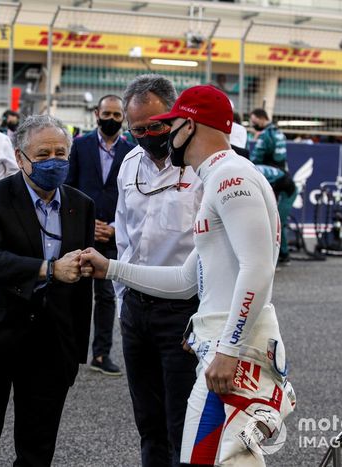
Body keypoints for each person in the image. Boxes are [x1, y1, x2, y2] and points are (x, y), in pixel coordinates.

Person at [81, 85, 296, 466]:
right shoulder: (221, 176)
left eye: (170, 123)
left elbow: (258, 268)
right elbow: (185, 280)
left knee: (210, 458)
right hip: (223, 345)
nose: (160, 134)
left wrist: (229, 351)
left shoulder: (231, 177)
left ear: (189, 124)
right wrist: (110, 267)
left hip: (235, 352)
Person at [0, 115, 95, 467]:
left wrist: (75, 350)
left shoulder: (80, 205)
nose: (53, 161)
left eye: (60, 152)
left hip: (51, 344)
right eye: (43, 154)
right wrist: (49, 268)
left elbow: (82, 282)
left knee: (37, 451)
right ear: (20, 158)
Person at [113, 75, 202, 466]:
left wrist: (206, 320)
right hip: (136, 311)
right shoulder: (130, 163)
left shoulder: (202, 167)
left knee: (184, 424)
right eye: (137, 129)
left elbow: (222, 252)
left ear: (176, 115)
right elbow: (125, 241)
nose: (148, 135)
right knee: (148, 424)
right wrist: (122, 306)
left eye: (156, 125)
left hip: (184, 314)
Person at [66, 94, 133, 376]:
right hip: (82, 231)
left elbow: (133, 196)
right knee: (71, 291)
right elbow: (68, 187)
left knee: (106, 296)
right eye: (107, 114)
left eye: (117, 115)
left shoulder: (131, 151)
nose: (111, 120)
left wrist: (116, 227)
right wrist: (85, 222)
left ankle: (101, 354)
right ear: (96, 113)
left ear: (123, 118)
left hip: (113, 235)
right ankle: (67, 350)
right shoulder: (79, 146)